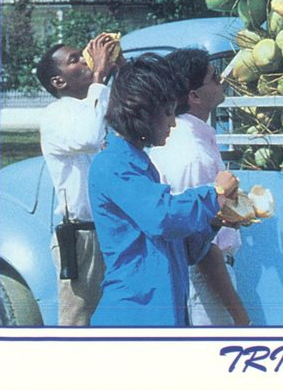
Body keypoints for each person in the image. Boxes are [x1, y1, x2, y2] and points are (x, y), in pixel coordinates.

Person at [87, 53, 240, 327]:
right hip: (133, 317)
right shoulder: (112, 165)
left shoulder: (142, 164)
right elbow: (162, 218)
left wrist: (214, 221)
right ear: (141, 111)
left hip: (162, 316)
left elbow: (183, 248)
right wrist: (213, 193)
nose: (172, 122)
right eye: (168, 113)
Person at [150, 48, 250, 327]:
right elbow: (204, 249)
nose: (222, 82)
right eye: (215, 77)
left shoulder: (189, 139)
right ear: (194, 96)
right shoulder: (193, 155)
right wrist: (242, 319)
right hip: (204, 282)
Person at [36, 33, 121, 326]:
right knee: (78, 321)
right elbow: (88, 136)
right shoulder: (56, 115)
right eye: (74, 61)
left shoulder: (94, 105)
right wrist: (98, 74)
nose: (84, 60)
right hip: (83, 236)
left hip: (112, 229)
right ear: (58, 82)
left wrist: (116, 70)